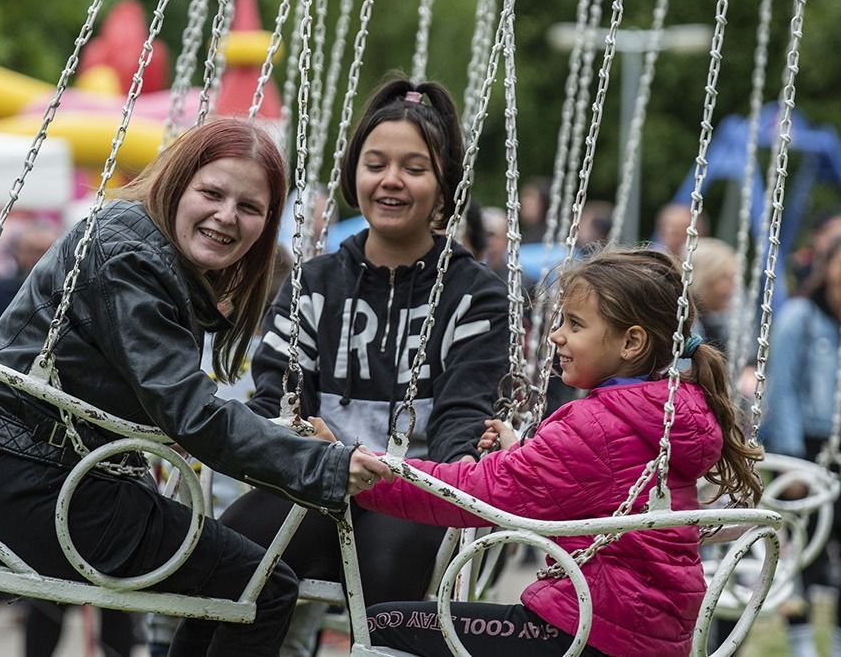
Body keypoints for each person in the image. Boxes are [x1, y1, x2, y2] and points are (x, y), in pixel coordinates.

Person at [0, 118, 388, 656]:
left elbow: (168, 400)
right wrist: (326, 466)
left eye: (250, 208)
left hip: (24, 478)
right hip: (38, 493)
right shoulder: (130, 256)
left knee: (242, 578)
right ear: (178, 183)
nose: (227, 216)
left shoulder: (136, 244)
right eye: (211, 193)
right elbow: (193, 412)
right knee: (264, 587)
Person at [349, 247, 763, 657]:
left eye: (575, 324)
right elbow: (588, 483)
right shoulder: (662, 413)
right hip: (643, 630)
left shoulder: (599, 425)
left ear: (631, 342)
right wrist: (527, 455)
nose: (556, 335)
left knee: (381, 625)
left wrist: (360, 471)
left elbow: (480, 491)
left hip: (590, 630)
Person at [217, 77, 510, 629]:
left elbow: (461, 413)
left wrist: (445, 472)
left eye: (414, 169)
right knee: (229, 562)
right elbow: (277, 395)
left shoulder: (476, 295)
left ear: (444, 185)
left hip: (412, 490)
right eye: (375, 164)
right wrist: (301, 441)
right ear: (355, 174)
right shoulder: (314, 282)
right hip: (314, 480)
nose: (391, 181)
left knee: (390, 589)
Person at [762, 234, 841, 657]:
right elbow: (784, 389)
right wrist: (792, 460)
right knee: (801, 545)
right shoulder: (801, 317)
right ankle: (801, 639)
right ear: (827, 265)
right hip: (806, 445)